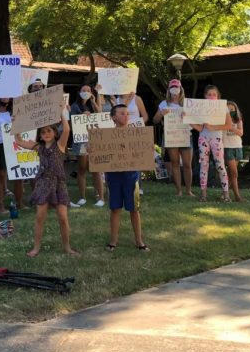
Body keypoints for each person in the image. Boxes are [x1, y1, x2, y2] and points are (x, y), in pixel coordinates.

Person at [15, 103, 79, 257]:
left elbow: (67, 129)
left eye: (49, 130)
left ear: (55, 133)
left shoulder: (60, 145)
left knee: (63, 217)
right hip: (43, 183)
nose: (46, 133)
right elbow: (19, 141)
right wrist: (16, 124)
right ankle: (36, 248)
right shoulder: (39, 147)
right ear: (40, 135)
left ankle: (67, 247)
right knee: (39, 217)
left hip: (59, 184)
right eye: (43, 132)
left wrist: (62, 112)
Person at [100, 105, 148, 251]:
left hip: (131, 176)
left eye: (127, 113)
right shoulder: (105, 136)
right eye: (122, 113)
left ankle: (139, 241)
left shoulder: (136, 134)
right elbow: (99, 153)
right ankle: (113, 241)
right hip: (113, 177)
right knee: (115, 208)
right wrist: (93, 149)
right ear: (113, 117)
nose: (126, 116)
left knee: (134, 209)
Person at [152, 79, 194, 197]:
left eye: (176, 87)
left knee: (187, 164)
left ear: (181, 89)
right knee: (175, 163)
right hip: (171, 136)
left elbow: (195, 123)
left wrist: (188, 116)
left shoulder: (187, 103)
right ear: (169, 90)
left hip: (186, 135)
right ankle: (179, 191)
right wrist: (161, 114)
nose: (174, 89)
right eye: (172, 87)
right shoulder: (164, 104)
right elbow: (155, 120)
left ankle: (189, 190)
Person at [190, 85, 230, 203]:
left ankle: (226, 194)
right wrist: (188, 120)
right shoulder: (202, 109)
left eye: (214, 94)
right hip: (203, 138)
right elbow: (200, 128)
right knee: (204, 165)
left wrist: (213, 127)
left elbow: (228, 125)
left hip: (216, 138)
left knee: (220, 165)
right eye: (209, 94)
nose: (211, 96)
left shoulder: (224, 108)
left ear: (218, 96)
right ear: (205, 96)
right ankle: (203, 195)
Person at [69, 85, 105, 207]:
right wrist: (81, 116)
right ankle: (82, 197)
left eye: (88, 90)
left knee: (96, 169)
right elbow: (72, 125)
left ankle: (101, 197)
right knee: (82, 168)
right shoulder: (74, 106)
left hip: (94, 141)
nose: (86, 92)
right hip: (81, 142)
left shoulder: (92, 105)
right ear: (79, 92)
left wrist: (94, 102)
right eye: (83, 90)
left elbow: (100, 114)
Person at [223, 100, 245, 202]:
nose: (230, 110)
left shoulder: (238, 120)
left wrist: (231, 128)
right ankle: (237, 196)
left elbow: (240, 133)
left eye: (232, 109)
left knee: (230, 173)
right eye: (228, 109)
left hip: (237, 147)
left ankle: (224, 193)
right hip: (227, 148)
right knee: (234, 173)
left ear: (236, 110)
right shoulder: (221, 120)